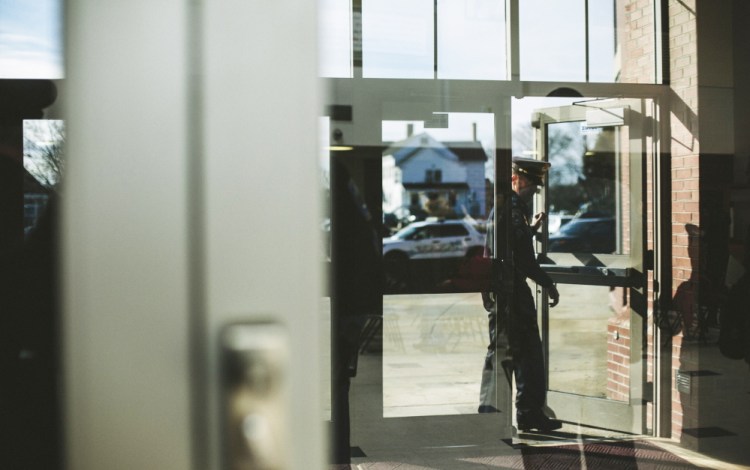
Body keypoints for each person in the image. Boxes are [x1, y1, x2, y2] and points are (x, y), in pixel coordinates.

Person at [479, 156, 562, 432]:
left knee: (507, 353)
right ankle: (522, 415)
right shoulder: (512, 209)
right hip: (510, 293)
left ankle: (497, 416)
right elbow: (525, 260)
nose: (533, 192)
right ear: (519, 179)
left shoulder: (505, 207)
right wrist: (548, 283)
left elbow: (508, 245)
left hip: (504, 291)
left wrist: (532, 229)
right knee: (521, 354)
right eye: (532, 186)